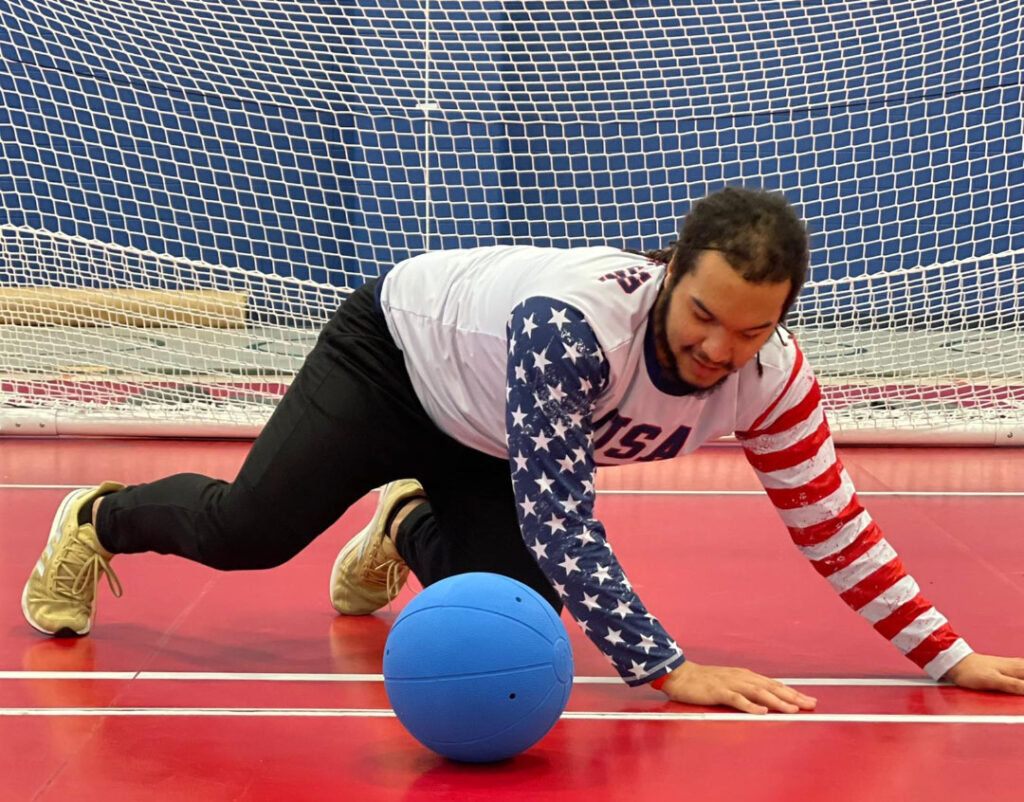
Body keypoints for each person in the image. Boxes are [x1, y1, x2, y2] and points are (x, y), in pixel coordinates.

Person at [22, 186, 1024, 715]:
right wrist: (666, 668)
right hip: (397, 356)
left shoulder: (771, 385)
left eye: (751, 332)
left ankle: (407, 520)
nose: (719, 349)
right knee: (252, 532)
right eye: (704, 315)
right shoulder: (578, 324)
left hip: (491, 428)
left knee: (512, 609)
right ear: (666, 269)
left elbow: (835, 526)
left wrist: (951, 653)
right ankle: (96, 518)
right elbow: (560, 513)